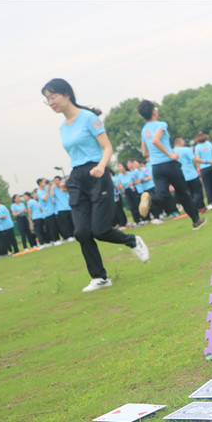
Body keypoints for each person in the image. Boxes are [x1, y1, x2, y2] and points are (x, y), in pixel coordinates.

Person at [42, 78, 149, 292]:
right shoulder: (63, 127)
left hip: (97, 173)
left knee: (99, 230)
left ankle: (132, 241)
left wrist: (101, 166)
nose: (50, 102)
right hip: (76, 177)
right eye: (47, 99)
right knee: (81, 232)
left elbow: (107, 147)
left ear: (67, 95)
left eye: (53, 97)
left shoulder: (89, 118)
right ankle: (100, 277)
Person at [136, 100, 206, 230]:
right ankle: (196, 220)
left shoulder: (144, 130)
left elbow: (144, 152)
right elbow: (155, 140)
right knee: (183, 193)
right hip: (169, 164)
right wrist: (170, 154)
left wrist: (156, 153)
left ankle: (150, 198)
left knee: (162, 194)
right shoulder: (161, 124)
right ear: (153, 112)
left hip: (156, 167)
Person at [173, 136, 205, 212]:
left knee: (189, 194)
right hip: (191, 174)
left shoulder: (172, 152)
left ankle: (195, 208)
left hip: (180, 176)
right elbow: (194, 159)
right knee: (197, 192)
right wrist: (207, 161)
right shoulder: (186, 149)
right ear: (180, 141)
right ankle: (198, 207)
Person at [194, 131, 212, 210]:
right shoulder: (209, 144)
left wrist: (198, 169)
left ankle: (211, 202)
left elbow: (198, 159)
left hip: (204, 168)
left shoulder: (197, 147)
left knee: (208, 186)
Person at [36, 178, 59, 244]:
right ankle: (55, 240)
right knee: (52, 227)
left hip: (53, 210)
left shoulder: (45, 188)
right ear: (40, 183)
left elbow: (50, 183)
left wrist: (47, 181)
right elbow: (45, 198)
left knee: (55, 226)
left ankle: (58, 239)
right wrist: (46, 191)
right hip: (47, 212)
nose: (45, 183)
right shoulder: (39, 192)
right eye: (43, 182)